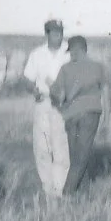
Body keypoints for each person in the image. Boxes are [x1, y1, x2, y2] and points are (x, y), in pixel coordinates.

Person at [48, 35, 111, 196]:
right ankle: (67, 195)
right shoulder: (98, 67)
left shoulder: (65, 69)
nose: (72, 54)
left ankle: (79, 196)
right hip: (90, 114)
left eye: (73, 51)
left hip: (70, 116)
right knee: (80, 158)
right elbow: (106, 93)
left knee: (76, 157)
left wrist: (61, 108)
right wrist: (106, 120)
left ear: (79, 50)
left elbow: (54, 94)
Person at [21, 18, 72, 198]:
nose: (58, 36)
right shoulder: (37, 54)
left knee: (61, 146)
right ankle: (47, 187)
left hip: (62, 106)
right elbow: (27, 78)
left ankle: (59, 189)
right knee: (42, 147)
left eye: (60, 32)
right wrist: (34, 90)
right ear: (47, 34)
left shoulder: (69, 53)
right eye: (54, 32)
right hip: (43, 103)